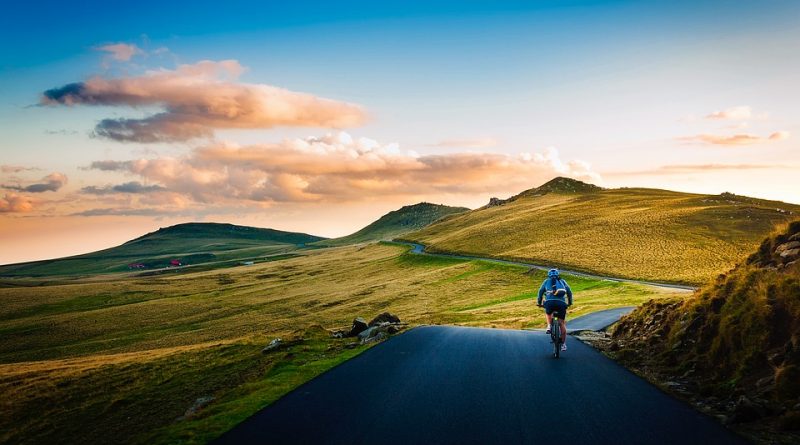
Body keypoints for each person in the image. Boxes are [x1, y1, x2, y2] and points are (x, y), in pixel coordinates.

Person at [536, 268, 573, 351]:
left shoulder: (546, 281)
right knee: (562, 323)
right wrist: (570, 302)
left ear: (548, 275)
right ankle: (563, 344)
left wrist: (539, 302)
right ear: (558, 275)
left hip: (549, 303)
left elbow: (540, 292)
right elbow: (569, 292)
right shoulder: (562, 282)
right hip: (561, 304)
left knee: (548, 313)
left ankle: (549, 326)